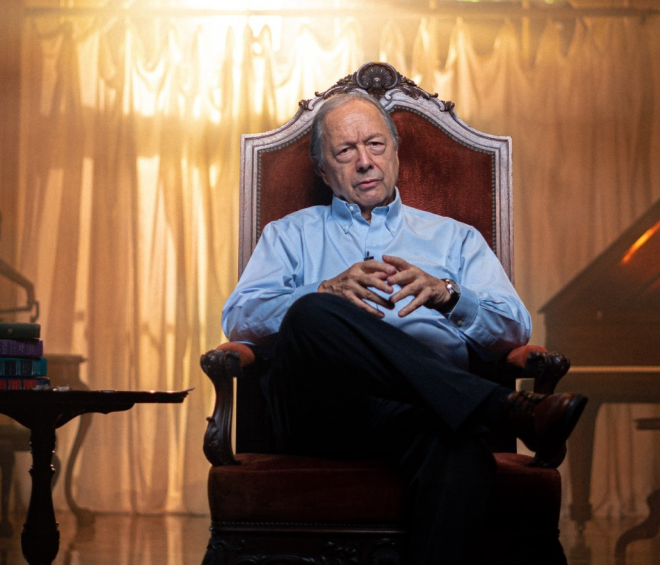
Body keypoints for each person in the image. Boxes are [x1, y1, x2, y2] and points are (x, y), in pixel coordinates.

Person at [222, 92, 586, 564]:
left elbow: (514, 328)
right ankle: (501, 408)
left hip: (423, 411)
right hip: (324, 412)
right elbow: (239, 317)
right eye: (345, 151)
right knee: (312, 312)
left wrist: (449, 295)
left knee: (460, 448)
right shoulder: (290, 234)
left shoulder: (454, 238)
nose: (364, 162)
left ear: (396, 154)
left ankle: (478, 410)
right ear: (322, 169)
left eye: (375, 145)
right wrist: (323, 289)